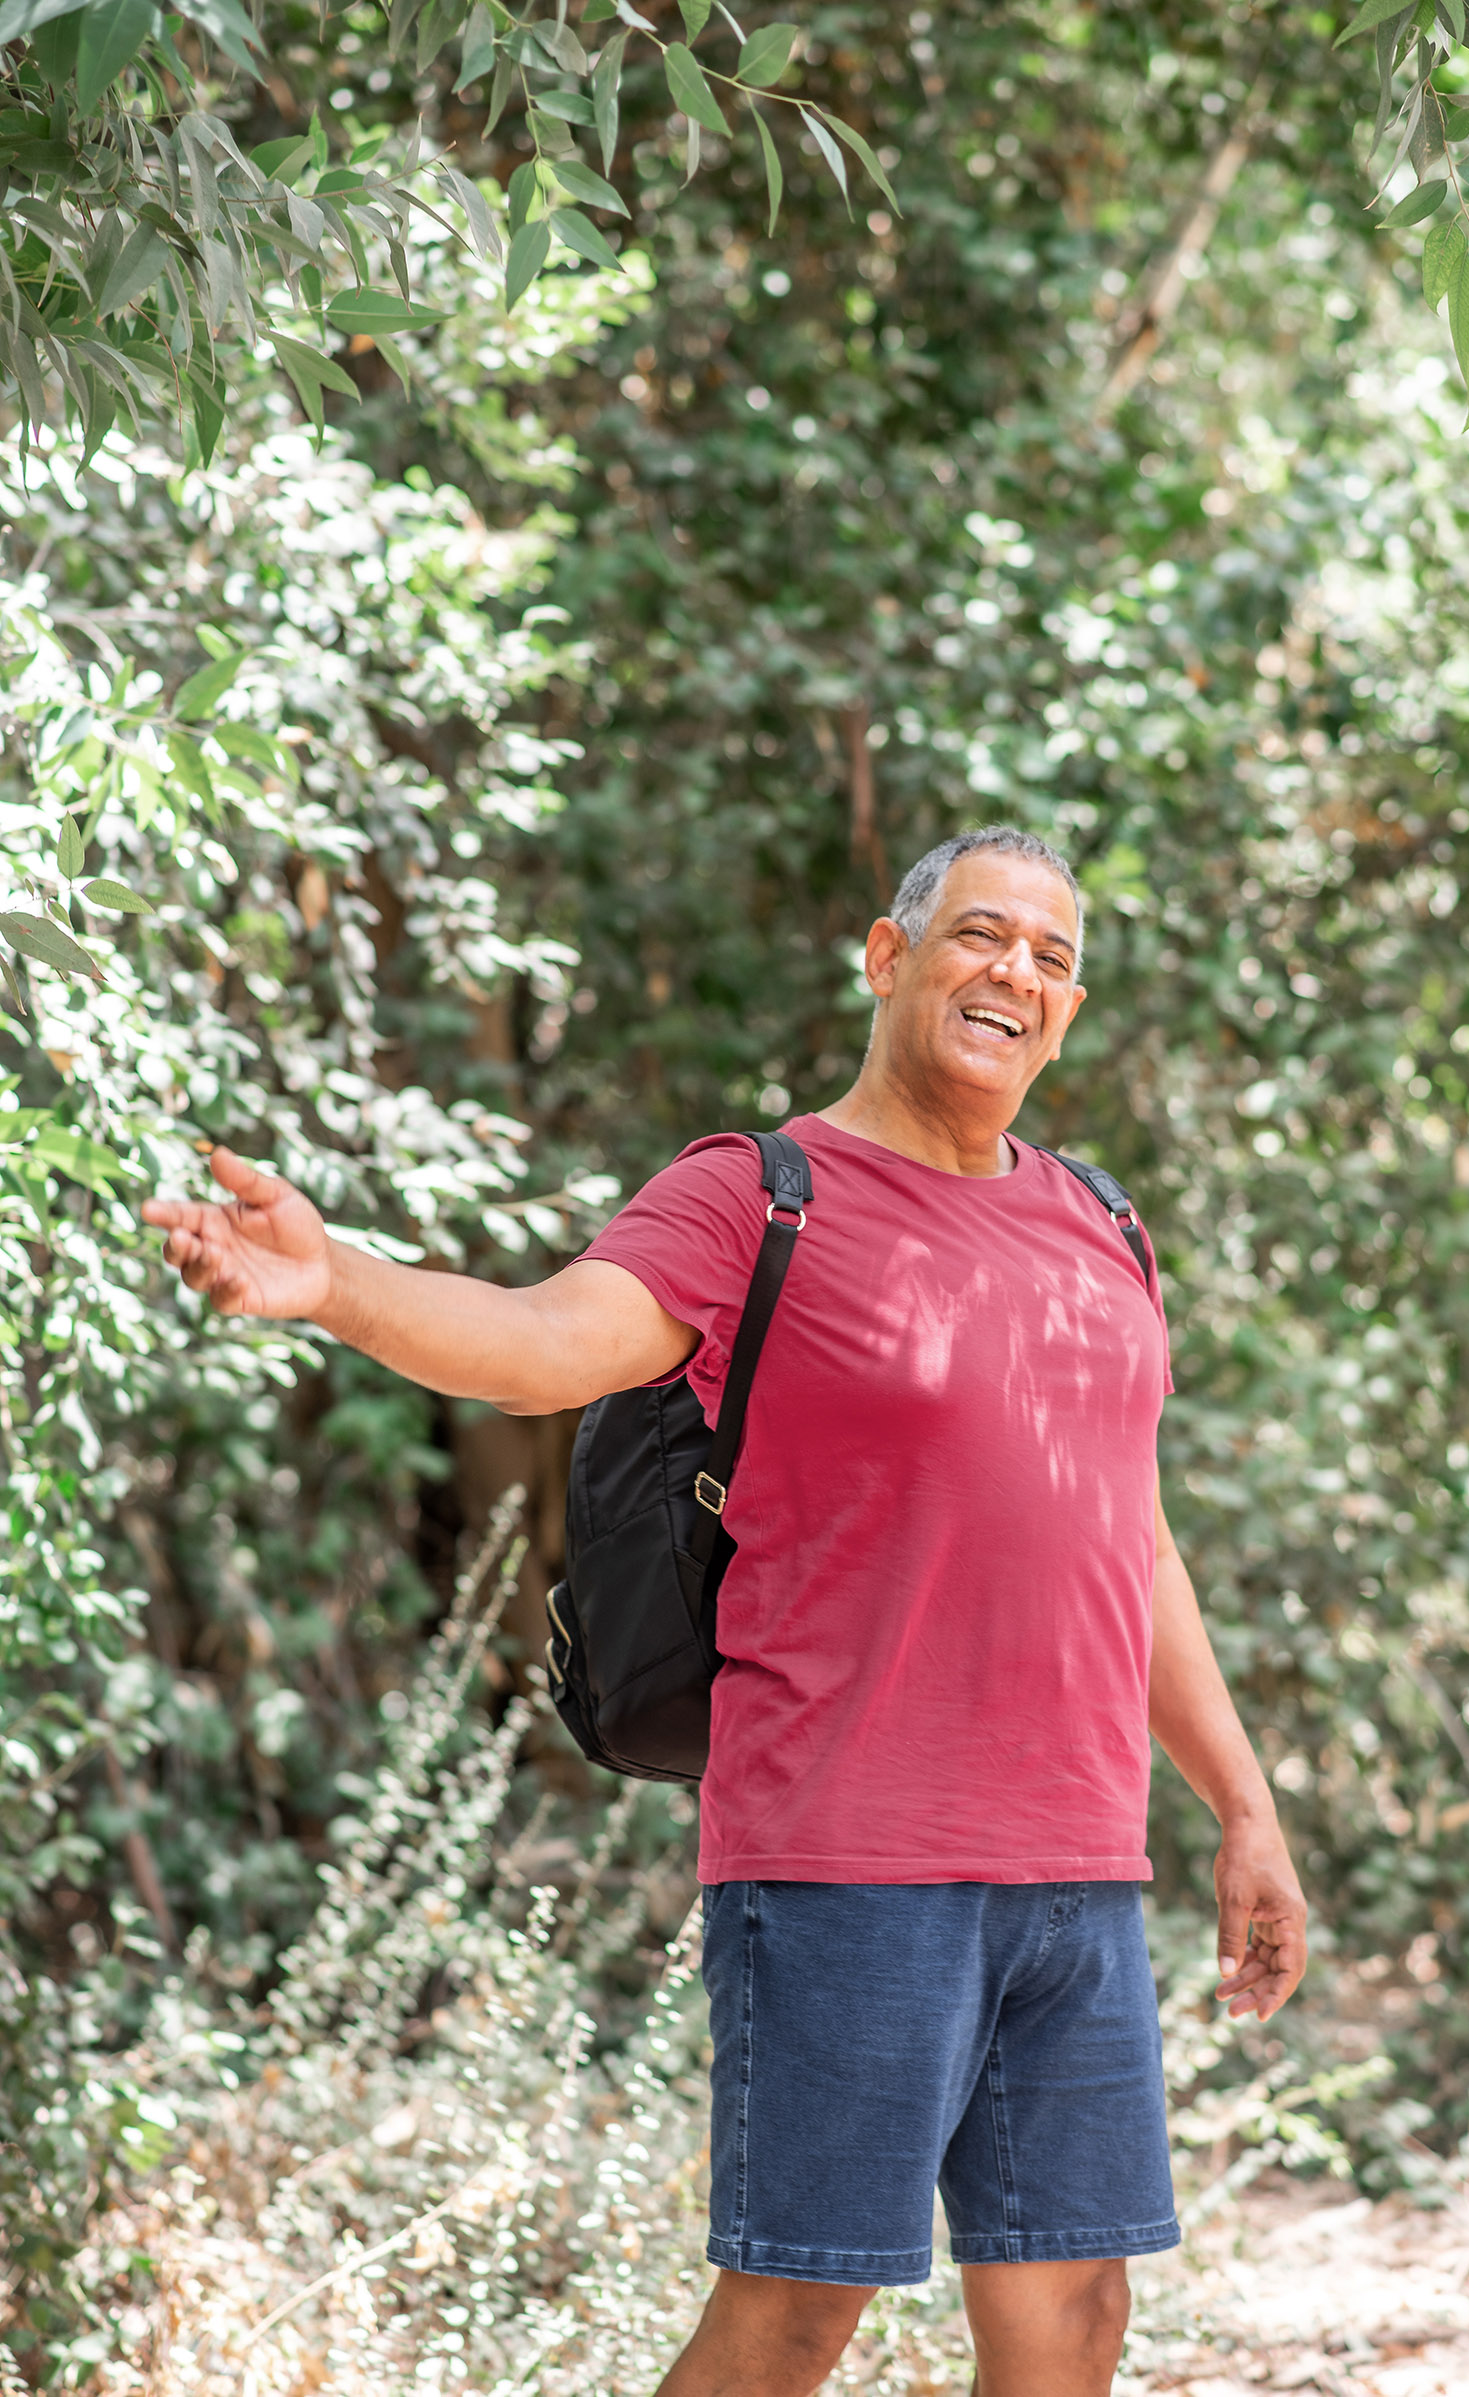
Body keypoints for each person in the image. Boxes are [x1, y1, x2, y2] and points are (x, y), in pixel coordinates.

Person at [145, 824, 1306, 2397]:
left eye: (1049, 955)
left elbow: (1135, 1537)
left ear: (1070, 1009)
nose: (1013, 972)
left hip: (1077, 1869)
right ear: (889, 959)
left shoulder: (1101, 1229)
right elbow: (542, 1340)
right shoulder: (761, 1195)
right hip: (849, 1859)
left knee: (1077, 2313)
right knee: (793, 2316)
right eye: (978, 935)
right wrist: (332, 1279)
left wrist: (1243, 1802)